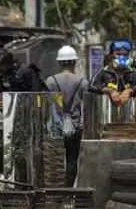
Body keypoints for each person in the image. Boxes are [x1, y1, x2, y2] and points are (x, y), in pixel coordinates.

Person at [45, 45, 87, 187]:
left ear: (59, 62)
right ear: (74, 62)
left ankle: (55, 187)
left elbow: (47, 105)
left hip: (56, 128)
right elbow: (86, 105)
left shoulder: (50, 81)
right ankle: (68, 189)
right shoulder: (82, 82)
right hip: (75, 127)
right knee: (72, 159)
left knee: (54, 160)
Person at [89, 39, 136, 123]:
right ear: (111, 55)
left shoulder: (133, 72)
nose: (122, 57)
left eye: (125, 54)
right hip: (108, 117)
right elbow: (91, 85)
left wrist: (129, 91)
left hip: (129, 118)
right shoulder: (104, 71)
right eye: (118, 54)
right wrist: (109, 90)